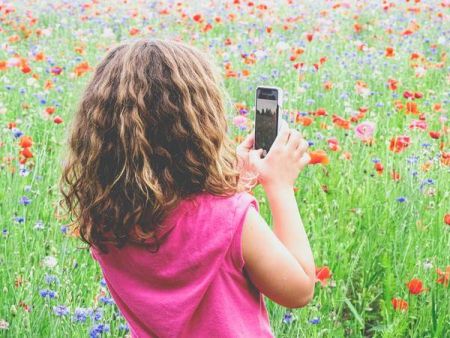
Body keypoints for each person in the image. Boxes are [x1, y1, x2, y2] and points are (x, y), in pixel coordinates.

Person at [59, 38, 315, 338]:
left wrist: (237, 184)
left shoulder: (104, 218)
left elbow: (179, 225)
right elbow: (299, 291)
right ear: (200, 125)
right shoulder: (233, 219)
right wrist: (279, 186)